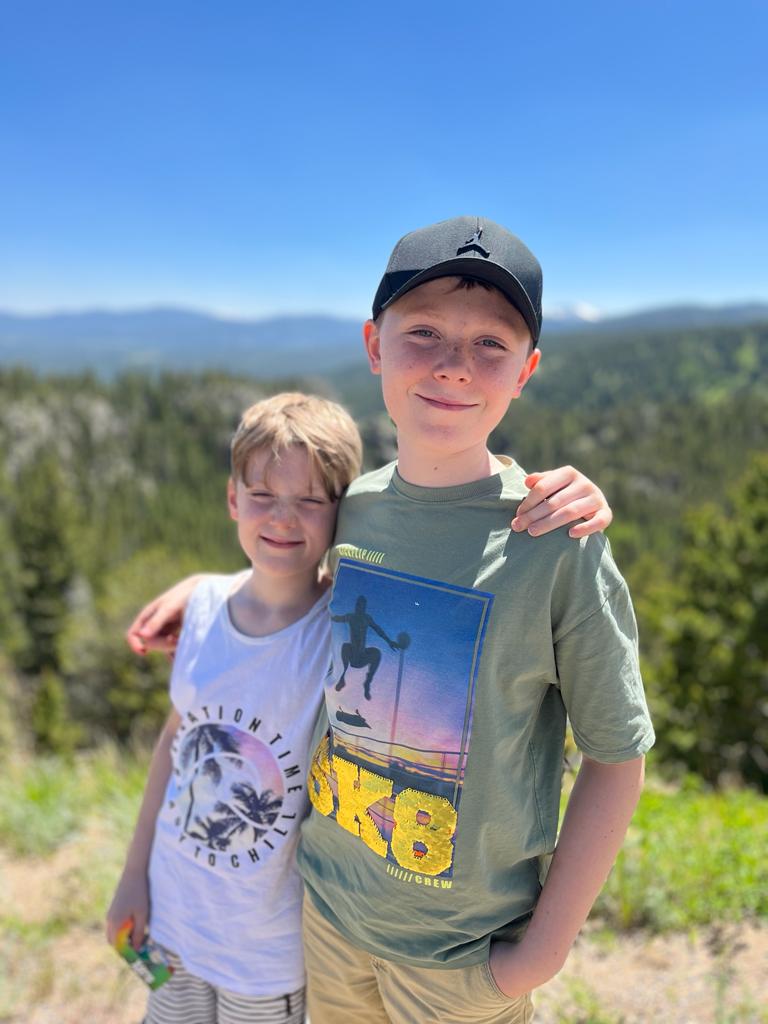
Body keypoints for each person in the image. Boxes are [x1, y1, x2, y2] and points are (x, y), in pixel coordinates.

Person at [127, 216, 652, 1024]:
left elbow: (617, 756)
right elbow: (290, 563)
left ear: (529, 370)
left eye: (491, 345)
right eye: (425, 332)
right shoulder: (358, 508)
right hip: (327, 920)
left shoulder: (558, 542)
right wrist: (206, 585)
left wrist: (541, 953)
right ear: (375, 345)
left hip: (462, 961)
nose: (453, 364)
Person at [106, 392, 363, 1024]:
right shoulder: (200, 609)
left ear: (342, 513)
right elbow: (175, 747)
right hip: (173, 919)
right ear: (231, 500)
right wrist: (131, 876)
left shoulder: (338, 634)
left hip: (268, 956)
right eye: (262, 496)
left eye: (310, 500)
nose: (283, 517)